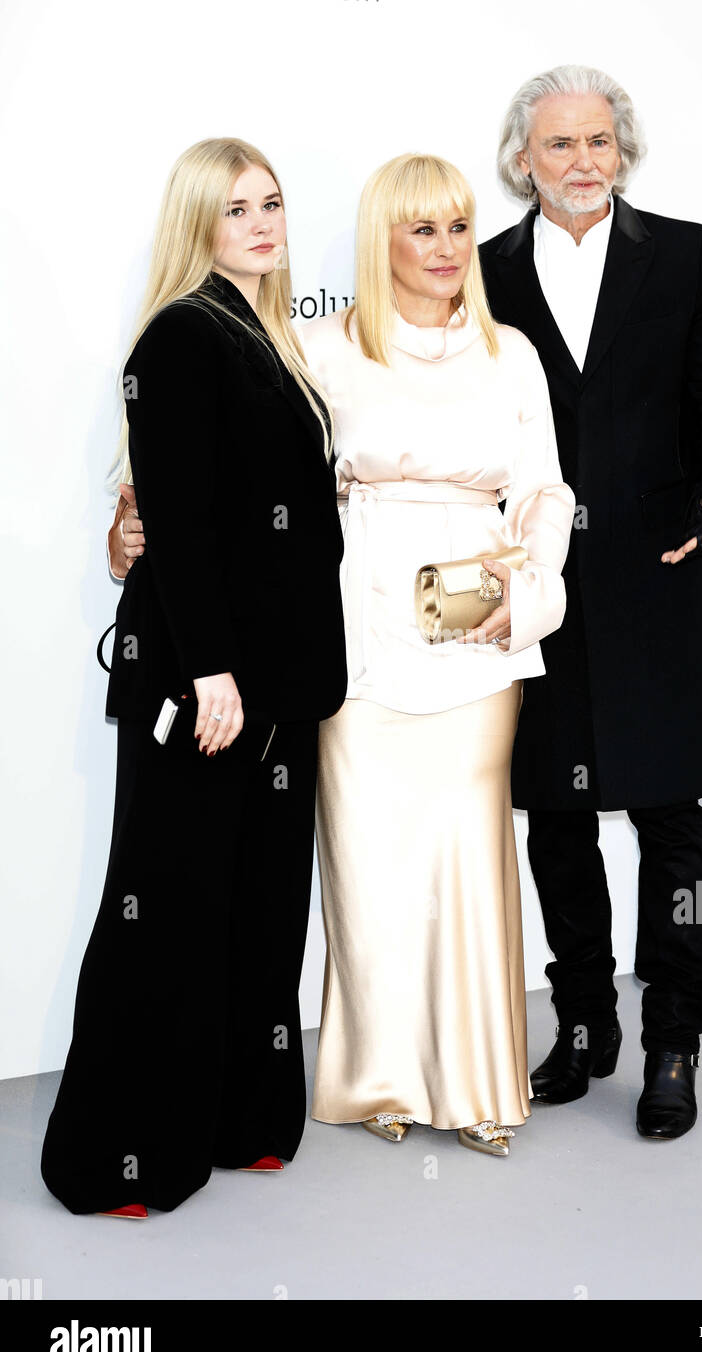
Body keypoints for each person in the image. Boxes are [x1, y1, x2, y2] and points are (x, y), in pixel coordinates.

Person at [113, 153, 575, 1158]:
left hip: (477, 642)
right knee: (366, 864)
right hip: (348, 636)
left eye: (459, 227)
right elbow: (223, 479)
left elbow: (544, 497)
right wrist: (133, 537)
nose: (447, 249)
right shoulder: (314, 346)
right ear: (382, 239)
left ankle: (480, 1080)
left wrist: (526, 597)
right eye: (422, 229)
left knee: (465, 852)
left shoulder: (515, 356)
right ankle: (380, 1081)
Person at [42, 138, 347, 1217]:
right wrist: (212, 669)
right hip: (202, 682)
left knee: (260, 908)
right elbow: (174, 514)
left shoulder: (271, 332)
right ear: (198, 224)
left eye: (271, 203)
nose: (262, 224)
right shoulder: (182, 332)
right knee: (165, 910)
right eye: (236, 209)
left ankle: (243, 1116)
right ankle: (119, 1152)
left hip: (281, 685)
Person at [478, 65, 702, 1138]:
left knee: (671, 823)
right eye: (561, 145)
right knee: (556, 816)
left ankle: (675, 1040)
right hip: (540, 587)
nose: (584, 161)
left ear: (623, 151)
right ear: (523, 160)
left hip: (661, 575)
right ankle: (586, 1026)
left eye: (600, 141)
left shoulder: (686, 254)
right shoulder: (487, 270)